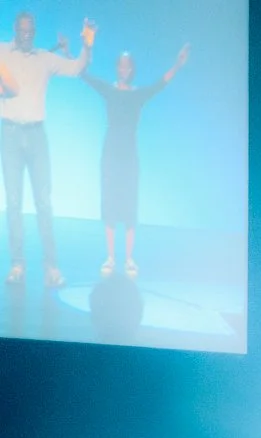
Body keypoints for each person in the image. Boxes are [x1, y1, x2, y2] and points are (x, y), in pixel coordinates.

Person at [0, 13, 93, 288]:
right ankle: (17, 264)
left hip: (37, 136)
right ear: (15, 30)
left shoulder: (45, 58)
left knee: (43, 202)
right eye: (22, 30)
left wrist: (87, 45)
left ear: (35, 32)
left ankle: (51, 266)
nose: (26, 34)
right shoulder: (2, 51)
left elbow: (76, 68)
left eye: (31, 30)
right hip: (10, 134)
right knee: (13, 203)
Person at [81, 42, 187, 278]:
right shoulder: (109, 90)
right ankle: (110, 257)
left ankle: (129, 258)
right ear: (117, 68)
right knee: (109, 203)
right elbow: (86, 77)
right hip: (110, 153)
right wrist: (74, 53)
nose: (124, 69)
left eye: (127, 66)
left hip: (129, 154)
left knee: (129, 204)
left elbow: (160, 84)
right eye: (121, 65)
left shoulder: (138, 94)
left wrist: (177, 65)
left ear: (132, 69)